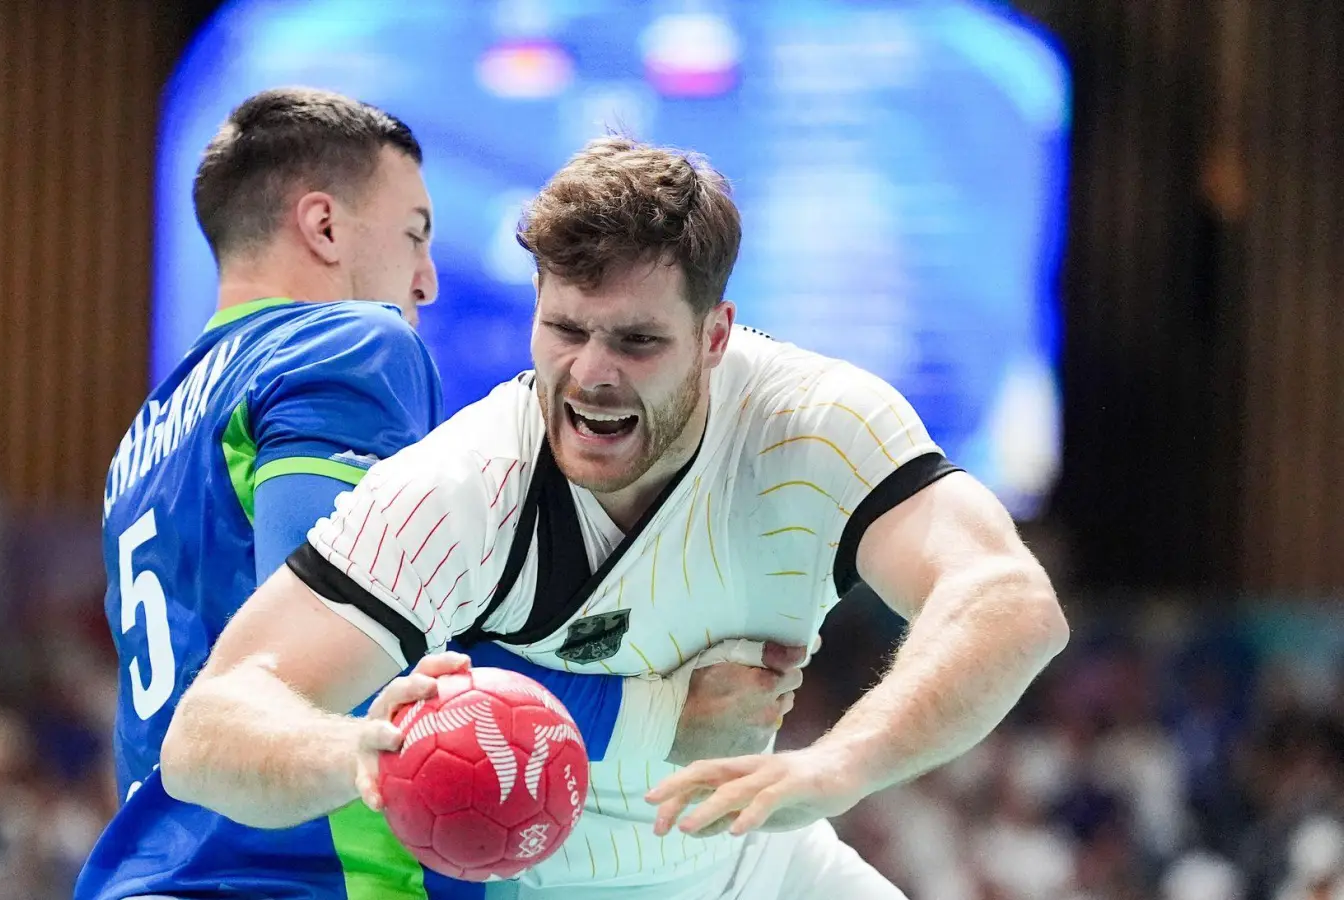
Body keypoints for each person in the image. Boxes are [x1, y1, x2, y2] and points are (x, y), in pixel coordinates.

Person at [161, 135, 1070, 900]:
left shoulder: (815, 425)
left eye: (637, 340)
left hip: (767, 867)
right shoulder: (462, 486)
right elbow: (207, 734)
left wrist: (839, 765)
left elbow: (1008, 600)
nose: (592, 374)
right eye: (566, 329)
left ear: (716, 336)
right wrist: (354, 747)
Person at [76, 90, 802, 900]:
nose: (424, 281)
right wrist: (657, 716)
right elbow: (355, 630)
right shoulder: (346, 342)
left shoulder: (149, 432)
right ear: (322, 227)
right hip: (303, 877)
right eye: (416, 235)